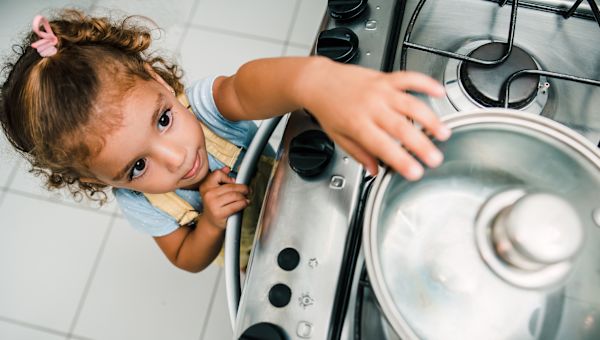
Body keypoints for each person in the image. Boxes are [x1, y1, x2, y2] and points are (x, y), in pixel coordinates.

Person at [0, 10, 451, 273]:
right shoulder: (140, 205)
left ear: (158, 80)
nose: (177, 158)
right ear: (93, 179)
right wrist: (211, 224)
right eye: (137, 167)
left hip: (307, 195)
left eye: (162, 119)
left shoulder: (202, 107)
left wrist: (315, 81)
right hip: (259, 255)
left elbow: (243, 86)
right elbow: (185, 257)